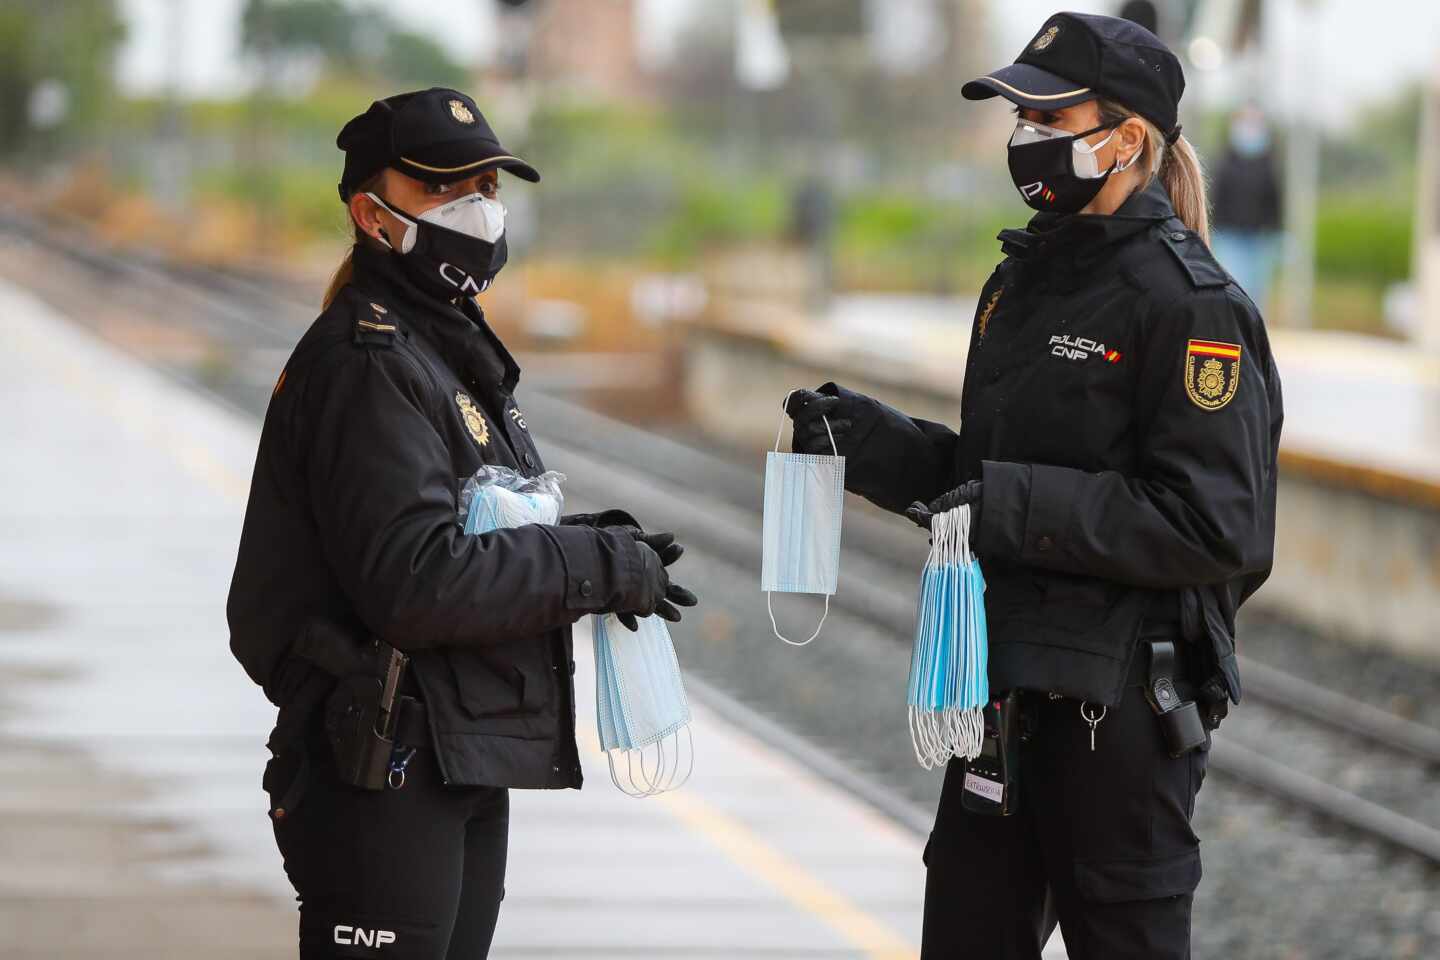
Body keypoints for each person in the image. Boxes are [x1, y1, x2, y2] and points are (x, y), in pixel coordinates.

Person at [785, 14, 1282, 960]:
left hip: (1120, 722)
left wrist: (1008, 506)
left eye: (1048, 118)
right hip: (1000, 699)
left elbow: (1217, 527)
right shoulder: (1022, 282)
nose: (1024, 140)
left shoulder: (1193, 305)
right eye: (1020, 116)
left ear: (1126, 138)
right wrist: (871, 444)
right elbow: (988, 474)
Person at [226, 87, 697, 960]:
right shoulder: (368, 365)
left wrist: (603, 546)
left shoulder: (435, 349)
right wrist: (588, 566)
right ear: (373, 214)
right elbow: (416, 579)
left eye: (486, 183)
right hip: (382, 766)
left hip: (448, 754)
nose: (478, 209)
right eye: (445, 189)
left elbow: (467, 523)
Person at [1211, 104, 1284, 308]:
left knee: (1256, 292)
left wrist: (1275, 232)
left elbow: (1275, 202)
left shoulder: (1269, 163)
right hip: (1229, 236)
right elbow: (1216, 199)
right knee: (1233, 286)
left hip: (1259, 238)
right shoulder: (1225, 161)